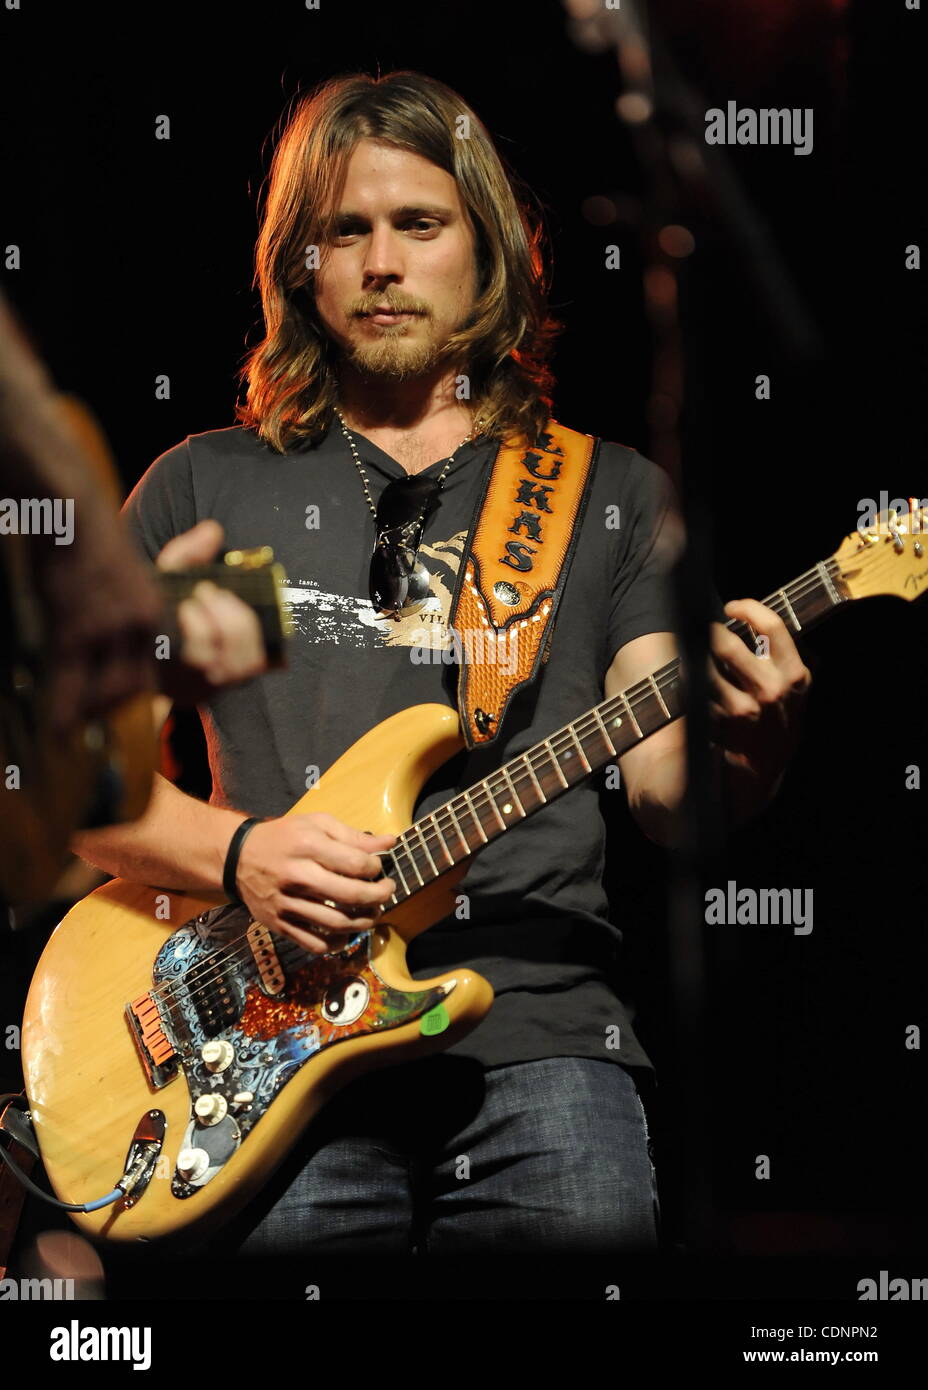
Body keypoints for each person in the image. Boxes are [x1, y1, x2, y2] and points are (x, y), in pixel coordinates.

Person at [70, 70, 812, 1257]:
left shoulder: (603, 492)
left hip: (541, 1034)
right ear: (297, 263)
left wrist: (753, 740)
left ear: (492, 250)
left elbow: (671, 793)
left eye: (419, 225)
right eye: (343, 230)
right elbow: (74, 789)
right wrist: (242, 852)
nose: (380, 261)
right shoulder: (216, 488)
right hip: (259, 1043)